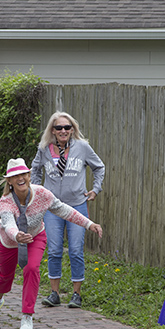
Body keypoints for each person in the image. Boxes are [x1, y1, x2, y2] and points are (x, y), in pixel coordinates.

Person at [0, 158, 103, 329]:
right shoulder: (5, 201)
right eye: (16, 176)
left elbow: (64, 210)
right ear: (9, 180)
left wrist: (88, 224)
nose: (21, 178)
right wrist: (17, 235)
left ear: (29, 175)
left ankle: (27, 317)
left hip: (35, 237)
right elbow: (8, 224)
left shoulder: (42, 194)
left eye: (24, 174)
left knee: (32, 268)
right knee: (4, 276)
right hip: (10, 241)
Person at [31, 111, 105, 309]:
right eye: (59, 128)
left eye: (67, 127)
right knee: (54, 250)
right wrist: (36, 193)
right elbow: (35, 169)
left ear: (72, 129)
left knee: (75, 250)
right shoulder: (44, 149)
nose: (63, 131)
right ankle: (54, 293)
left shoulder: (82, 147)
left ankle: (76, 294)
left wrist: (95, 190)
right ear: (52, 131)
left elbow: (99, 167)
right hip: (52, 207)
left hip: (77, 205)